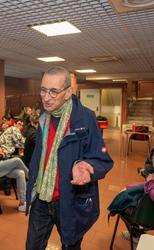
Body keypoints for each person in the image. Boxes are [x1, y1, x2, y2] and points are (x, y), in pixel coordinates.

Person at [25, 66, 114, 250]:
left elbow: (103, 160)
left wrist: (86, 165)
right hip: (41, 196)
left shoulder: (85, 118)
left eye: (53, 91)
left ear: (68, 93)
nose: (46, 97)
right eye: (43, 90)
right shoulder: (43, 115)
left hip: (69, 200)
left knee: (70, 246)